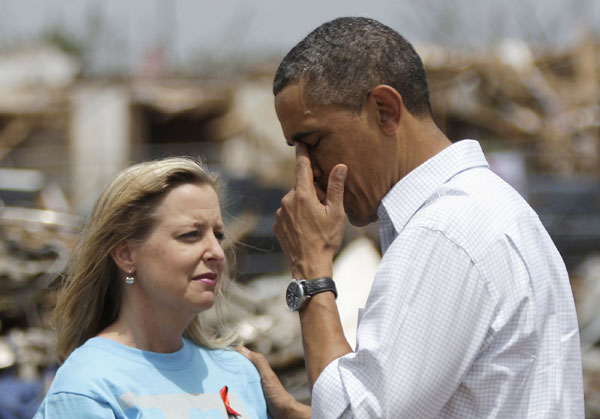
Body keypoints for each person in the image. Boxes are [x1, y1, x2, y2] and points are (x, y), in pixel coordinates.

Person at [242, 16, 585, 418]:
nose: (306, 170)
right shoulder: (483, 207)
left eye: (313, 142)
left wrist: (311, 268)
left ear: (385, 110)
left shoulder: (444, 232)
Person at [34, 157, 269, 418]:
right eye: (191, 234)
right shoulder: (89, 387)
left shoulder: (239, 372)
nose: (216, 252)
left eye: (218, 235)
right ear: (126, 255)